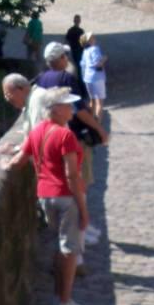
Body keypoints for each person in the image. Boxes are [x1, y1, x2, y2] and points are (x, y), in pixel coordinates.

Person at [9, 89, 89, 305]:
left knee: (59, 246)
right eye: (68, 105)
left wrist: (6, 162)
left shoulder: (37, 132)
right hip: (66, 196)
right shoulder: (65, 136)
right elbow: (72, 175)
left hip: (45, 196)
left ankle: (58, 297)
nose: (72, 109)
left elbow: (19, 161)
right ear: (55, 110)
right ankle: (65, 302)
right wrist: (83, 210)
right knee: (70, 250)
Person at [34, 42, 106, 246]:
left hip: (48, 139)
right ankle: (81, 230)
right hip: (70, 137)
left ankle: (78, 231)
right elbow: (80, 111)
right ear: (60, 59)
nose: (67, 60)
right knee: (78, 183)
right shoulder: (66, 78)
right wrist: (100, 129)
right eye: (65, 57)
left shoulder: (41, 78)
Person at [79, 32, 107, 121]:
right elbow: (97, 64)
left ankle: (90, 121)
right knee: (100, 102)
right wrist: (104, 59)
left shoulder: (85, 51)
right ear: (89, 41)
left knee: (92, 101)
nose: (94, 37)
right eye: (91, 37)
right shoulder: (95, 49)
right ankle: (98, 125)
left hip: (87, 78)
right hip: (97, 77)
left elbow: (82, 64)